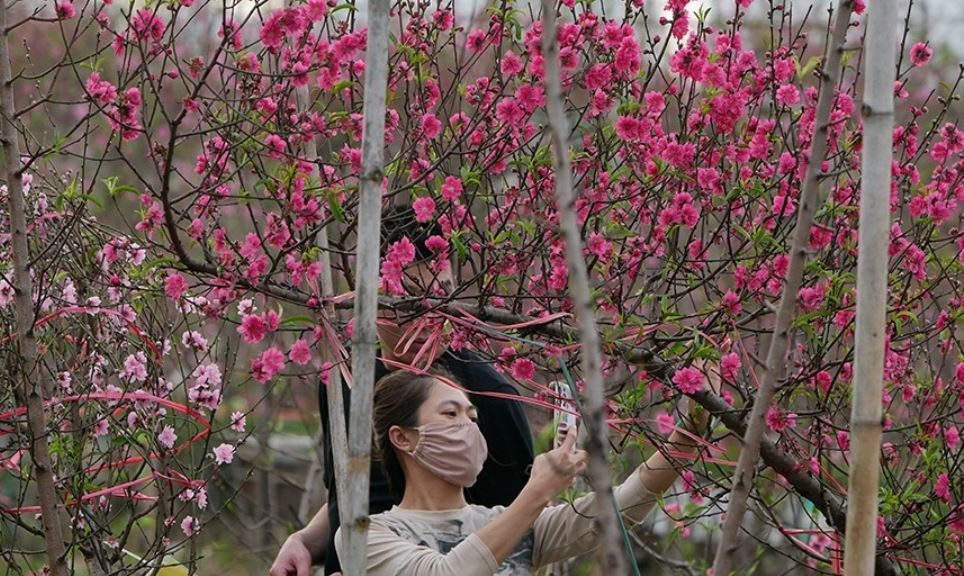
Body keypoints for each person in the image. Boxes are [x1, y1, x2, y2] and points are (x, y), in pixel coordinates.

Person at [270, 207, 534, 576]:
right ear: (370, 291)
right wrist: (305, 540)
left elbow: (517, 537)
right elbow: (353, 495)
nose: (428, 316)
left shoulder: (487, 397)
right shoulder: (346, 377)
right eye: (407, 299)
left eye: (440, 296)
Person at [334, 368, 710, 575]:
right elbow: (446, 573)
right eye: (450, 415)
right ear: (402, 437)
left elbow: (619, 507)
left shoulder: (505, 522)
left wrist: (686, 436)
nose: (468, 427)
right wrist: (536, 493)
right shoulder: (367, 536)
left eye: (472, 416)